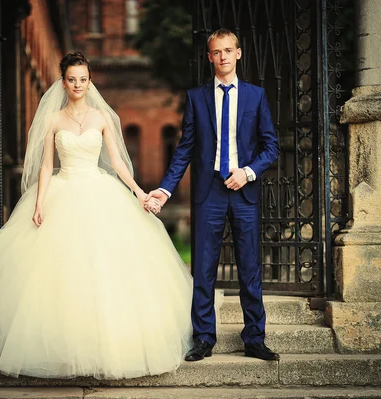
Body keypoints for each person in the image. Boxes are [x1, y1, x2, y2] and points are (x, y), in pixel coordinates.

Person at [0, 52, 193, 379]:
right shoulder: (53, 120)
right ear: (63, 81)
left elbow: (118, 162)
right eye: (72, 79)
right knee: (56, 271)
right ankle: (61, 347)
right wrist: (39, 202)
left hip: (98, 191)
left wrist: (138, 191)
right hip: (62, 190)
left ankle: (107, 346)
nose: (78, 85)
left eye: (83, 79)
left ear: (89, 80)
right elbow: (45, 165)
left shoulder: (101, 118)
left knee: (104, 269)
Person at [147, 29, 280, 362]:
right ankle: (204, 337)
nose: (222, 56)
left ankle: (255, 338)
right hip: (209, 194)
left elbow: (270, 146)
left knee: (249, 268)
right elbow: (185, 149)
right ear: (209, 57)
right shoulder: (196, 98)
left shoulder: (256, 96)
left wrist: (247, 172)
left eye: (228, 50)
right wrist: (165, 189)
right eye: (216, 52)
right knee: (203, 269)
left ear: (238, 53)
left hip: (244, 192)